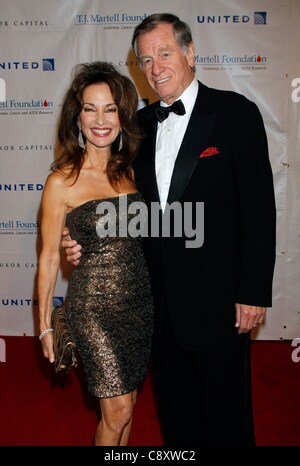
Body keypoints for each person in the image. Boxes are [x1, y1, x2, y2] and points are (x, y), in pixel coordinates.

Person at [62, 14, 276, 446]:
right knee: (177, 421)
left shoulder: (235, 114)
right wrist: (82, 238)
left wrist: (253, 291)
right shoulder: (136, 129)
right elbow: (121, 204)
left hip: (220, 303)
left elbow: (259, 209)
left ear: (190, 52)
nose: (156, 67)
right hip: (155, 304)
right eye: (146, 60)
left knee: (226, 417)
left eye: (164, 53)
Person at [38, 61, 153, 447]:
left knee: (131, 402)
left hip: (138, 303)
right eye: (90, 108)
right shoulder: (61, 181)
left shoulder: (132, 172)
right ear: (77, 117)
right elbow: (49, 259)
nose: (100, 119)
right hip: (93, 308)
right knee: (116, 411)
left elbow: (143, 235)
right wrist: (45, 325)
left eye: (110, 109)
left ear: (122, 117)